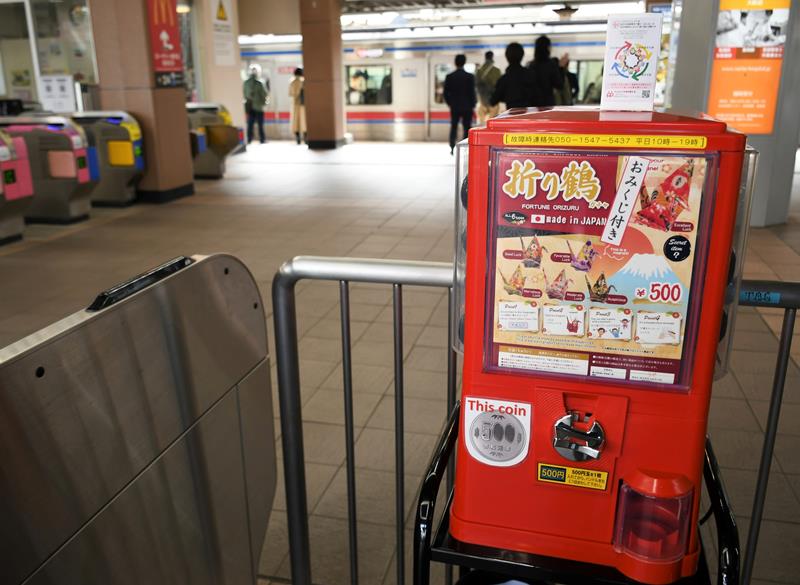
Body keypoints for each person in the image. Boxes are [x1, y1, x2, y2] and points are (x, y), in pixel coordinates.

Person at [443, 54, 476, 154]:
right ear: (464, 62)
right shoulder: (470, 76)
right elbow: (472, 93)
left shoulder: (450, 76)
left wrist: (450, 103)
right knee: (467, 127)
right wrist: (473, 104)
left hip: (455, 107)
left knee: (454, 127)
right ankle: (465, 147)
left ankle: (452, 147)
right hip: (467, 107)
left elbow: (445, 93)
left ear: (455, 63)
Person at [490, 42, 536, 110]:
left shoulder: (504, 79)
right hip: (529, 116)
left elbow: (493, 101)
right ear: (522, 55)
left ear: (506, 56)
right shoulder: (531, 75)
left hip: (512, 117)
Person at [528, 35, 563, 107]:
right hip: (548, 104)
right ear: (548, 48)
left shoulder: (531, 65)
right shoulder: (551, 65)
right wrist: (561, 68)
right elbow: (559, 85)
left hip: (533, 104)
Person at [243, 65, 268, 144]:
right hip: (259, 107)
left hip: (250, 107)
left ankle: (249, 139)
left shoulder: (246, 83)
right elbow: (264, 94)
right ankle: (262, 139)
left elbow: (244, 94)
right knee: (260, 124)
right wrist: (264, 102)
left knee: (250, 124)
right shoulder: (260, 83)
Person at [475, 51, 501, 124]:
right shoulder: (497, 71)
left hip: (482, 102)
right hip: (494, 102)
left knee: (482, 125)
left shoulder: (479, 71)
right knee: (493, 125)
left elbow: (477, 86)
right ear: (492, 57)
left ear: (485, 57)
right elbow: (498, 87)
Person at [288, 67, 307, 145]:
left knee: (295, 122)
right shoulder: (303, 81)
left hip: (295, 104)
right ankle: (306, 138)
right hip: (303, 105)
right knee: (304, 122)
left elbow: (290, 93)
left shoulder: (291, 82)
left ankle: (298, 138)